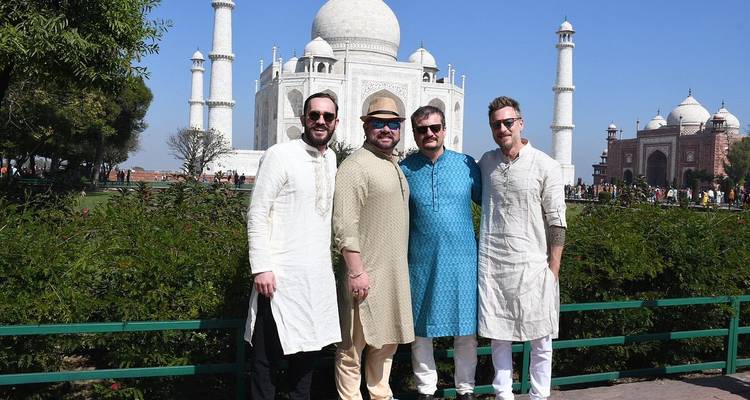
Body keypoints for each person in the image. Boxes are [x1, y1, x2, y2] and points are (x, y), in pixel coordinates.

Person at [244, 92, 342, 400]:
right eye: (314, 115)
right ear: (303, 119)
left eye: (327, 117)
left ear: (336, 122)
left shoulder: (331, 159)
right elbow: (258, 212)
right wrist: (261, 267)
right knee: (266, 361)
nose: (320, 122)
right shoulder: (280, 154)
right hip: (278, 281)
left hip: (314, 280)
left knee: (306, 360)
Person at [477, 96, 567, 400]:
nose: (502, 128)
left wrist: (552, 271)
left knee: (540, 340)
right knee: (499, 337)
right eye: (496, 124)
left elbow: (557, 221)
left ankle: (539, 396)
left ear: (521, 122)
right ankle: (503, 395)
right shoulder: (486, 162)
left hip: (533, 267)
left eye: (508, 122)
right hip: (493, 264)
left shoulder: (545, 165)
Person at [333, 96, 414, 400]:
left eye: (392, 123)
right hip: (364, 276)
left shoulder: (393, 164)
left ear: (399, 128)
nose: (385, 129)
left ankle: (380, 395)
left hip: (391, 275)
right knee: (353, 348)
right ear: (366, 126)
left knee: (386, 343)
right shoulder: (355, 166)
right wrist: (356, 271)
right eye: (377, 122)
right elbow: (343, 224)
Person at [400, 106, 481, 400]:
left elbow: (496, 206)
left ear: (445, 130)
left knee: (466, 331)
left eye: (435, 128)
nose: (429, 134)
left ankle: (466, 389)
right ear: (415, 134)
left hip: (463, 263)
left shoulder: (466, 165)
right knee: (421, 331)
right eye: (422, 130)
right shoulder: (405, 169)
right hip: (421, 262)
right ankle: (425, 390)